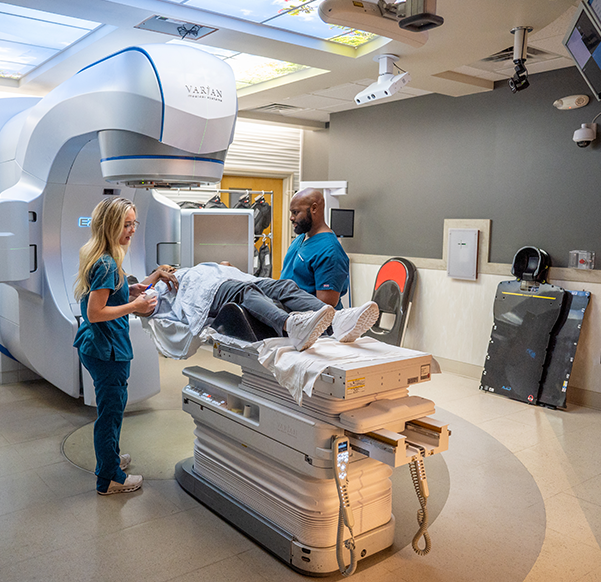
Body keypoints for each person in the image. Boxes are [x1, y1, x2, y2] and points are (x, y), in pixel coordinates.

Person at [72, 197, 177, 496]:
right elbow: (95, 312)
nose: (131, 230)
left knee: (112, 410)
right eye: (126, 224)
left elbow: (109, 294)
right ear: (110, 226)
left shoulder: (103, 256)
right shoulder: (106, 263)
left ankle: (111, 458)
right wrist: (135, 305)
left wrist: (148, 280)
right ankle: (109, 478)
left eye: (134, 224)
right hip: (107, 351)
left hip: (96, 345)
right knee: (111, 414)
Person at [140, 262, 379, 360]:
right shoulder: (162, 286)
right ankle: (290, 326)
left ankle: (337, 321)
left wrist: (223, 267)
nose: (171, 267)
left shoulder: (198, 266)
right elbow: (139, 298)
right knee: (245, 293)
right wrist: (156, 275)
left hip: (230, 280)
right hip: (207, 294)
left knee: (283, 285)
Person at [281, 188, 350, 309]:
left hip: (312, 324)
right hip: (288, 318)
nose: (291, 218)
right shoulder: (301, 238)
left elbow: (324, 308)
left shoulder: (330, 251)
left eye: (296, 212)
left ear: (314, 208)